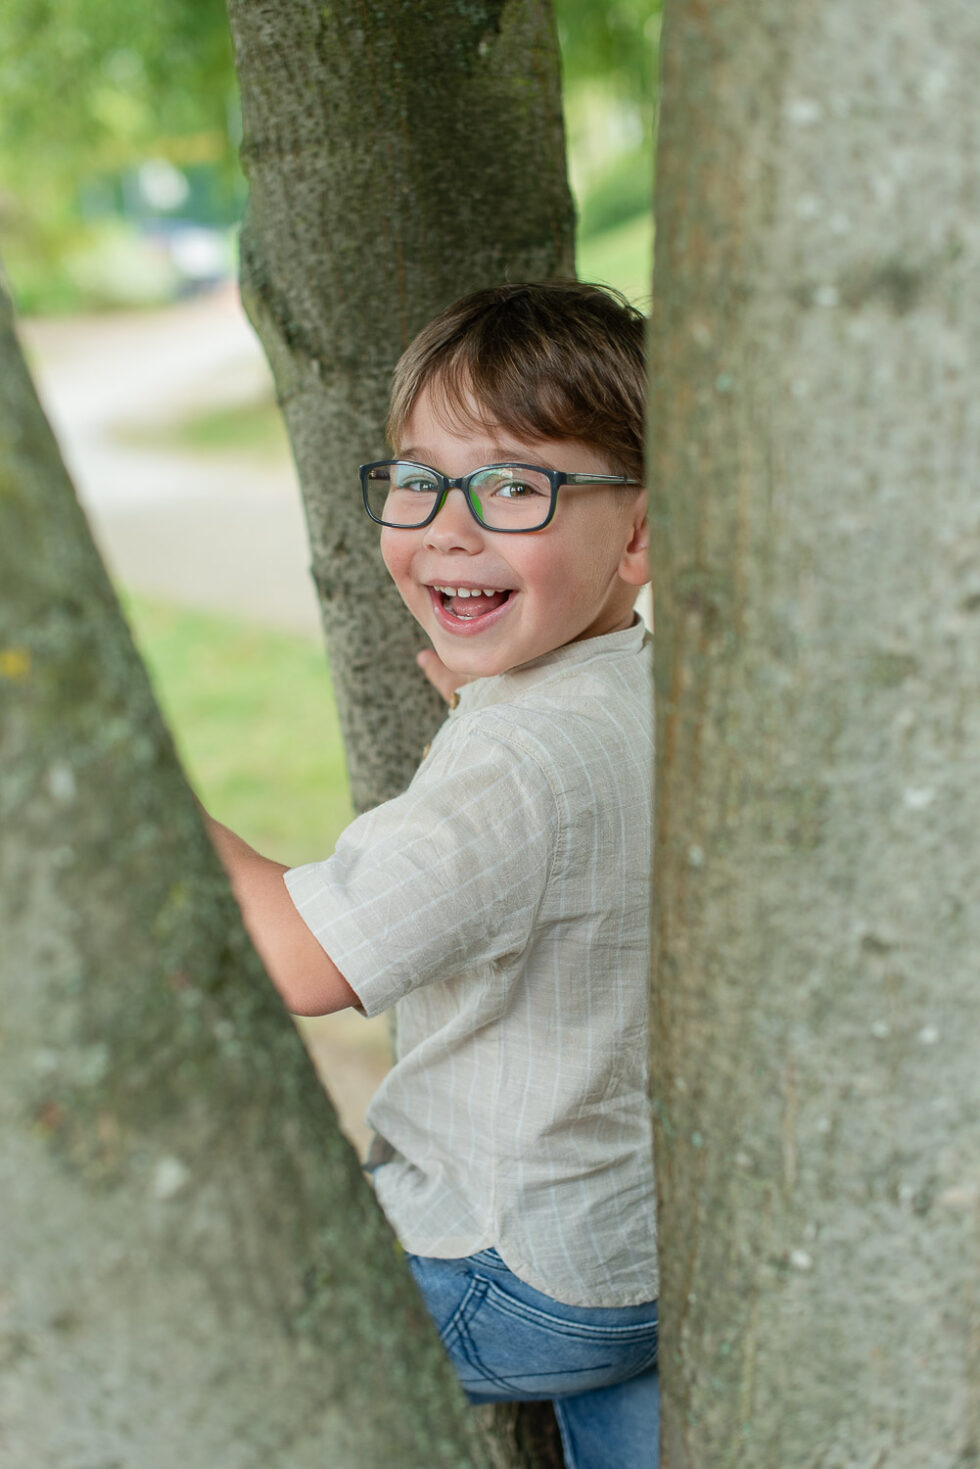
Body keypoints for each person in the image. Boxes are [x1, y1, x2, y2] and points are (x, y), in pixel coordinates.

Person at [207, 280, 659, 1468]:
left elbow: (303, 960)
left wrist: (162, 812)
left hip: (507, 1275)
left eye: (515, 485)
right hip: (647, 1253)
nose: (449, 527)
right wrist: (483, 704)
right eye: (418, 479)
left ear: (643, 532)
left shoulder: (517, 763)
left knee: (213, 1287)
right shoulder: (649, 686)